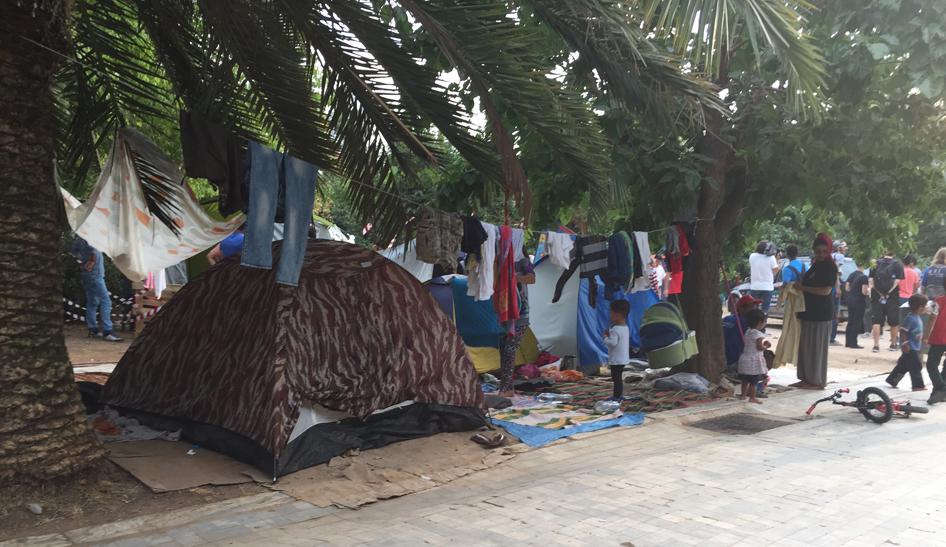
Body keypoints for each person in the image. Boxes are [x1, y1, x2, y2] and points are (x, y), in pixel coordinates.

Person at [792, 234, 838, 390]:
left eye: (824, 251)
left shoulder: (830, 267)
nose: (820, 254)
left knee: (816, 349)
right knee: (805, 347)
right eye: (818, 251)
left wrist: (804, 288)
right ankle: (805, 378)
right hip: (808, 312)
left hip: (821, 313)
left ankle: (816, 381)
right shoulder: (815, 265)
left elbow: (826, 291)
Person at [70, 236, 123, 342]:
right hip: (96, 274)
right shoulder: (93, 235)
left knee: (92, 302)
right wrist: (91, 262)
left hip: (86, 275)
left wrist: (82, 262)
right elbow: (94, 251)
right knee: (106, 301)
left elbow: (72, 251)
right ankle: (108, 331)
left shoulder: (80, 237)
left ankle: (93, 329)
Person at [498, 254, 535, 396]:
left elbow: (532, 278)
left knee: (509, 349)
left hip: (521, 314)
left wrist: (511, 278)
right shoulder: (499, 259)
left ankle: (506, 388)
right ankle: (506, 387)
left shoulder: (523, 261)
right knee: (503, 348)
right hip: (504, 312)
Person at [885, 294, 928, 391]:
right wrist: (905, 343)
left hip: (915, 346)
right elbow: (903, 331)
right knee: (916, 366)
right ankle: (918, 385)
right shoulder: (910, 318)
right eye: (925, 306)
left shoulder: (917, 317)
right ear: (920, 307)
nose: (926, 308)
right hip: (910, 347)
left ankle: (892, 379)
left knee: (903, 365)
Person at [869, 251, 905, 353]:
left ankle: (876, 345)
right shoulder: (898, 264)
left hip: (877, 296)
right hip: (892, 297)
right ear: (893, 254)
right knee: (893, 322)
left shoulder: (875, 263)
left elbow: (871, 280)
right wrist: (888, 292)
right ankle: (893, 344)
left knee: (876, 322)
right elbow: (897, 281)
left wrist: (879, 293)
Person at [738, 309, 770, 404]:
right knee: (753, 381)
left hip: (745, 359)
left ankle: (743, 395)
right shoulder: (758, 334)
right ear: (760, 322)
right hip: (753, 361)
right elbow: (759, 347)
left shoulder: (748, 331)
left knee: (745, 380)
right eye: (765, 321)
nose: (765, 323)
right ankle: (752, 397)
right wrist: (766, 346)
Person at [724, 294, 762, 370]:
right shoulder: (747, 323)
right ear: (742, 309)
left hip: (723, 358)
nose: (755, 308)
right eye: (752, 306)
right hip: (735, 361)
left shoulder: (727, 318)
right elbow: (758, 345)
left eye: (756, 305)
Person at [603, 300, 631, 401]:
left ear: (617, 315)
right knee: (618, 378)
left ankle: (617, 396)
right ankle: (619, 395)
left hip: (616, 359)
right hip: (623, 358)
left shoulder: (615, 329)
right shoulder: (625, 327)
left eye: (611, 312)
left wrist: (605, 337)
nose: (610, 315)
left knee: (616, 378)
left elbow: (612, 343)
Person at [925, 292, 946, 404]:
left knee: (931, 364)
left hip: (939, 337)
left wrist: (925, 336)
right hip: (939, 337)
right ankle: (940, 391)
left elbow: (932, 318)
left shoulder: (938, 301)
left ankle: (940, 388)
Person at [748, 241, 779, 313]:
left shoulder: (752, 256)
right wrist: (776, 259)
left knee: (753, 309)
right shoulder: (771, 258)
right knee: (765, 310)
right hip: (767, 287)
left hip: (755, 287)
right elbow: (776, 271)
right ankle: (763, 320)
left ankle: (753, 320)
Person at [844, 264, 870, 349]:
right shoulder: (864, 277)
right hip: (859, 301)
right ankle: (853, 343)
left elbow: (847, 288)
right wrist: (868, 291)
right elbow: (864, 291)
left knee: (850, 321)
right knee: (857, 321)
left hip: (850, 299)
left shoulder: (852, 274)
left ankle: (848, 342)